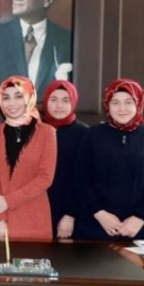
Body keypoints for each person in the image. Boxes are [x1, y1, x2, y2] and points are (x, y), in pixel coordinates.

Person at [75, 79, 144, 241]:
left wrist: (140, 217)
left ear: (138, 104)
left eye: (128, 102)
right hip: (95, 224)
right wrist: (99, 213)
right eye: (115, 102)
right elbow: (81, 178)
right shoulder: (93, 134)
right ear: (107, 105)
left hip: (139, 227)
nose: (121, 108)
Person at [0, 76, 55, 241]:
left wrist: (8, 201)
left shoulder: (47, 132)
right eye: (6, 97)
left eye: (18, 96)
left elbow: (45, 178)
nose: (11, 103)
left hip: (33, 217)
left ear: (29, 97)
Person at [42, 79, 88, 239]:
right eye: (54, 100)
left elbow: (85, 179)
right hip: (39, 207)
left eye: (65, 100)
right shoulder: (36, 129)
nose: (59, 105)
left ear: (73, 102)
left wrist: (71, 214)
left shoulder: (84, 134)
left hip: (70, 212)